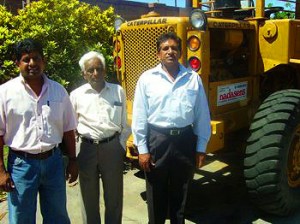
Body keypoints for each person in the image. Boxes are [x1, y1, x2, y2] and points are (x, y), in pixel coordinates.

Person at [132, 32, 211, 224]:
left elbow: (202, 114)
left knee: (180, 195)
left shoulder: (193, 78)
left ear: (180, 52)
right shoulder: (147, 79)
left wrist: (201, 147)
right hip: (158, 140)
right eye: (165, 48)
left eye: (174, 48)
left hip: (185, 140)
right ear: (158, 54)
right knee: (156, 194)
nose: (170, 52)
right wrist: (142, 149)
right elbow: (139, 115)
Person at [0, 38, 78, 224]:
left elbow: (68, 129)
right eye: (26, 59)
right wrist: (1, 172)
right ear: (17, 63)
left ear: (44, 61)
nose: (32, 64)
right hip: (21, 166)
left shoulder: (58, 91)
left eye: (36, 58)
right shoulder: (5, 93)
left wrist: (74, 160)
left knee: (57, 217)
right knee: (21, 218)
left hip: (53, 163)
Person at [70, 51, 130, 224]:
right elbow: (71, 127)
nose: (95, 73)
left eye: (99, 69)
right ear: (84, 73)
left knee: (114, 197)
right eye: (90, 70)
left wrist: (121, 145)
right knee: (88, 199)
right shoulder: (76, 95)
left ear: (105, 70)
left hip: (112, 147)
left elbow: (124, 122)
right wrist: (77, 149)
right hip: (86, 149)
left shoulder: (118, 91)